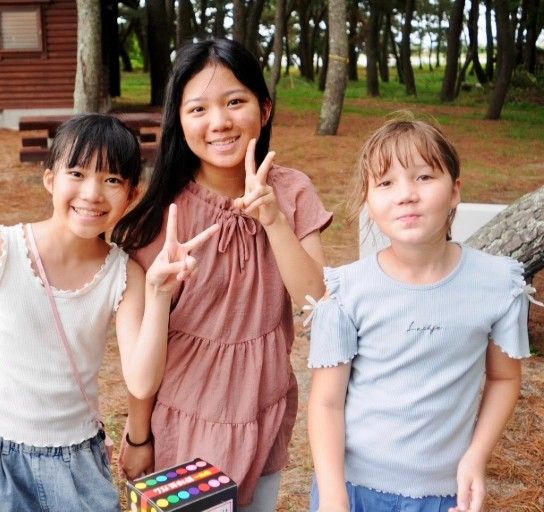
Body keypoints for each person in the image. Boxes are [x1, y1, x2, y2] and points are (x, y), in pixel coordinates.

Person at [0, 114, 219, 512]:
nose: (91, 193)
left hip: (77, 460)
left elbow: (140, 382)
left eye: (111, 180)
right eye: (76, 172)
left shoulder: (126, 274)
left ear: (132, 194)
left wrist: (159, 295)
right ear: (50, 179)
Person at [112, 39, 332, 510]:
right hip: (184, 426)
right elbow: (146, 355)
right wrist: (137, 436)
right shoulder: (162, 217)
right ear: (179, 121)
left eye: (235, 101)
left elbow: (316, 302)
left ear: (265, 108)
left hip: (263, 414)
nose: (220, 122)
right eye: (198, 109)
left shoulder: (292, 192)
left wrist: (273, 221)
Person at [307, 114, 534, 512]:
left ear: (455, 191)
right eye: (386, 183)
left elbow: (503, 378)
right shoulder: (347, 290)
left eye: (424, 177)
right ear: (369, 201)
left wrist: (476, 458)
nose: (406, 194)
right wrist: (332, 496)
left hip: (447, 494)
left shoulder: (500, 284)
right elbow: (326, 402)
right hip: (352, 489)